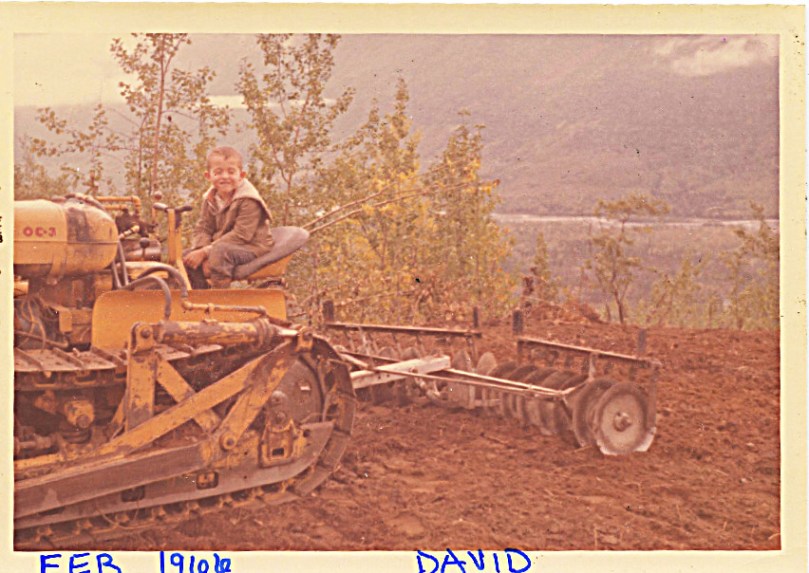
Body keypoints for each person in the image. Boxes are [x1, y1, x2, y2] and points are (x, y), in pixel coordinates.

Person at [183, 146, 275, 289]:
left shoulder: (248, 200)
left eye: (231, 172)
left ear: (241, 175)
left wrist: (206, 252)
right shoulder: (211, 198)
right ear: (208, 176)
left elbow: (242, 235)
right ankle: (199, 294)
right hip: (223, 244)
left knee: (220, 253)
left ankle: (221, 294)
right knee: (187, 257)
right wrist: (201, 249)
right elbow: (204, 227)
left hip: (251, 246)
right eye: (218, 172)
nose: (225, 177)